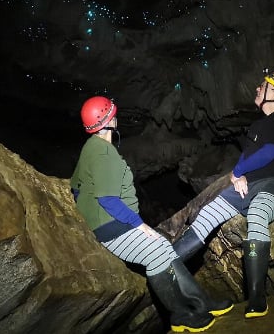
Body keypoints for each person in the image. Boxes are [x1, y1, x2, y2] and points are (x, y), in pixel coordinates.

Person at [70, 96, 234, 333]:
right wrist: (138, 225)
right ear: (107, 121)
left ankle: (202, 303)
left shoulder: (91, 147)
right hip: (112, 226)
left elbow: (76, 187)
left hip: (107, 223)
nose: (116, 117)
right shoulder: (104, 154)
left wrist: (87, 212)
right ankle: (179, 315)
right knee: (156, 254)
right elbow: (107, 199)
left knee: (164, 248)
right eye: (113, 114)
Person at [173, 69, 274, 319]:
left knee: (257, 213)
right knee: (208, 212)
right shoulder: (257, 124)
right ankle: (166, 260)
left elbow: (268, 154)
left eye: (262, 86)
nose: (257, 89)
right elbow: (247, 155)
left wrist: (238, 171)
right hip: (249, 183)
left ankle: (256, 298)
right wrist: (239, 174)